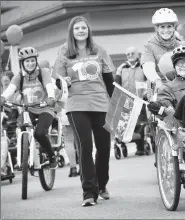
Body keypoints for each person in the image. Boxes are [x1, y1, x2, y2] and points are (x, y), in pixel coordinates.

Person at [53, 16, 115, 207]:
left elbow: (109, 79)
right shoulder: (64, 52)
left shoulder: (98, 50)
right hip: (76, 105)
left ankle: (101, 184)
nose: (81, 31)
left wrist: (115, 104)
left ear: (88, 31)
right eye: (77, 28)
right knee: (85, 147)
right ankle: (89, 192)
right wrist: (64, 82)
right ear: (72, 32)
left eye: (84, 28)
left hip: (100, 104)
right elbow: (58, 80)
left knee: (104, 148)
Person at [0, 47, 58, 169]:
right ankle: (24, 157)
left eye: (32, 60)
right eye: (27, 61)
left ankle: (52, 157)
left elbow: (49, 86)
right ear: (22, 63)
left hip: (45, 108)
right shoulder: (19, 76)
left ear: (36, 61)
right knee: (21, 128)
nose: (30, 63)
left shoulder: (43, 73)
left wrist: (51, 98)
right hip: (29, 109)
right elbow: (10, 89)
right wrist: (2, 98)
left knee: (40, 133)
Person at [141, 8, 185, 90]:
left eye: (169, 26)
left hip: (182, 86)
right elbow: (148, 67)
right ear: (157, 29)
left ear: (173, 28)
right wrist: (157, 81)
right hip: (160, 88)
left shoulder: (182, 45)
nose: (166, 30)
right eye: (162, 27)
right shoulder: (149, 46)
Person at [115, 46, 148, 156]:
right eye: (128, 54)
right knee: (126, 124)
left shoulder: (143, 67)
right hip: (126, 100)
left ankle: (140, 147)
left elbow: (148, 81)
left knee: (140, 124)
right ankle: (122, 143)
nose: (130, 56)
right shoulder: (121, 68)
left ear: (138, 55)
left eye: (132, 53)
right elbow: (117, 84)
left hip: (140, 99)